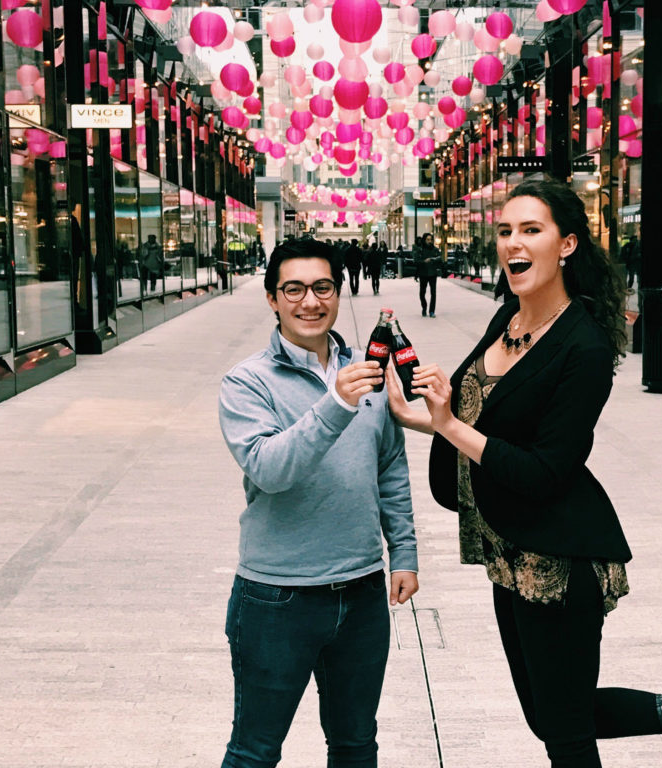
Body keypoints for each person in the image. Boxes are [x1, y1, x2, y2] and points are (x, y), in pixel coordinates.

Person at [386, 178, 662, 768]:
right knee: (551, 715)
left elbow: (544, 470)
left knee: (565, 734)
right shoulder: (505, 321)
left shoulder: (582, 348)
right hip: (506, 546)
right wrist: (421, 418)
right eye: (506, 230)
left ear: (566, 245)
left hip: (558, 560)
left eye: (531, 230)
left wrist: (450, 426)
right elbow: (486, 422)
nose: (513, 242)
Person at [217, 237, 419, 768]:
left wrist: (404, 553)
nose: (311, 302)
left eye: (323, 287)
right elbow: (270, 469)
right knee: (254, 751)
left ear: (338, 290)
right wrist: (335, 404)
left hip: (361, 593)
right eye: (295, 289)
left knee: (355, 745)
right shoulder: (247, 382)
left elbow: (390, 466)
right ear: (272, 298)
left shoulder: (369, 370)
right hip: (275, 598)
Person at [413, 232, 441, 317]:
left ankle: (431, 311)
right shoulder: (420, 250)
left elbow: (440, 258)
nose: (430, 241)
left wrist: (433, 259)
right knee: (422, 293)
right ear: (424, 240)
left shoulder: (435, 250)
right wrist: (424, 262)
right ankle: (424, 307)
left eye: (431, 240)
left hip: (433, 273)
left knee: (433, 293)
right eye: (428, 240)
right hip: (423, 273)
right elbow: (416, 261)